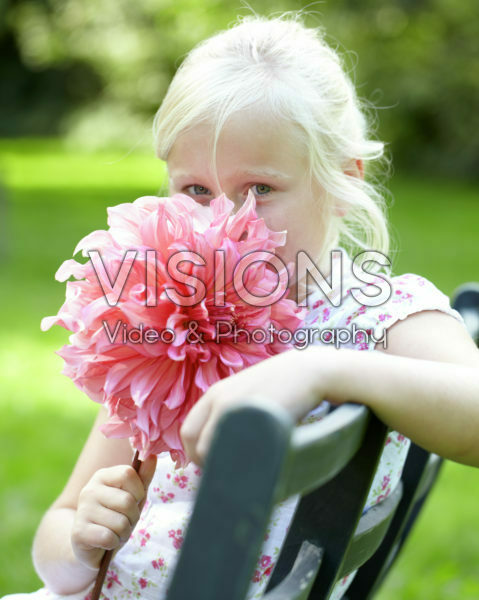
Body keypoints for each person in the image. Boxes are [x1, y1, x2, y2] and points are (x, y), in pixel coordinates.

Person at [4, 12, 479, 600]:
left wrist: (324, 368)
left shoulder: (369, 316)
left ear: (340, 181)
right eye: (196, 190)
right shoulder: (167, 318)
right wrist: (80, 543)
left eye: (261, 189)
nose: (224, 219)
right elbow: (59, 528)